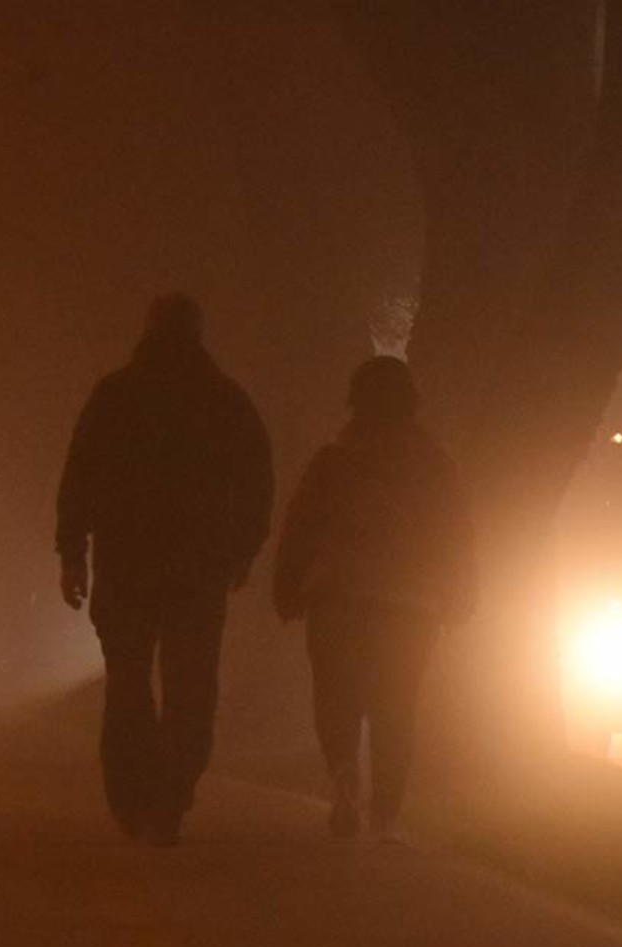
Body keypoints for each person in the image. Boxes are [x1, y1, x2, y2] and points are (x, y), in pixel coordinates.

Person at [56, 292, 273, 845]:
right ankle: (171, 797)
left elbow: (79, 477)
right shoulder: (224, 400)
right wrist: (242, 550)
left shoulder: (116, 396)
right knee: (192, 689)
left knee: (127, 684)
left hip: (125, 564)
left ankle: (131, 798)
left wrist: (73, 554)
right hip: (198, 571)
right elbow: (256, 483)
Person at [272, 356, 475, 842]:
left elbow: (301, 526)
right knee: (397, 705)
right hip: (412, 603)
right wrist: (461, 592)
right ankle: (385, 814)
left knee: (336, 697)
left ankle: (344, 773)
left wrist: (287, 586)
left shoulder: (334, 460)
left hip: (337, 596)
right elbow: (456, 536)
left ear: (355, 401)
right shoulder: (436, 465)